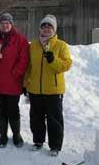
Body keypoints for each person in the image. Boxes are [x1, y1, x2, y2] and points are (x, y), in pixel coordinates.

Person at [24, 14, 72, 156]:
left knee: (54, 120)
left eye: (49, 26)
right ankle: (38, 141)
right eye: (44, 26)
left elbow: (67, 64)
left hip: (54, 90)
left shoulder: (61, 45)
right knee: (36, 118)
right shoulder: (33, 46)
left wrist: (53, 61)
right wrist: (25, 83)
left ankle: (55, 146)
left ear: (54, 29)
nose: (46, 29)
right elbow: (29, 66)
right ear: (40, 29)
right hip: (35, 90)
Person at [0, 13, 29, 148]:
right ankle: (3, 136)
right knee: (0, 110)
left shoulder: (20, 40)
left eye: (8, 23)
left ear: (12, 25)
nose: (5, 25)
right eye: (3, 23)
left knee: (13, 110)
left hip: (13, 82)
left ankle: (17, 135)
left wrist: (15, 73)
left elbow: (24, 59)